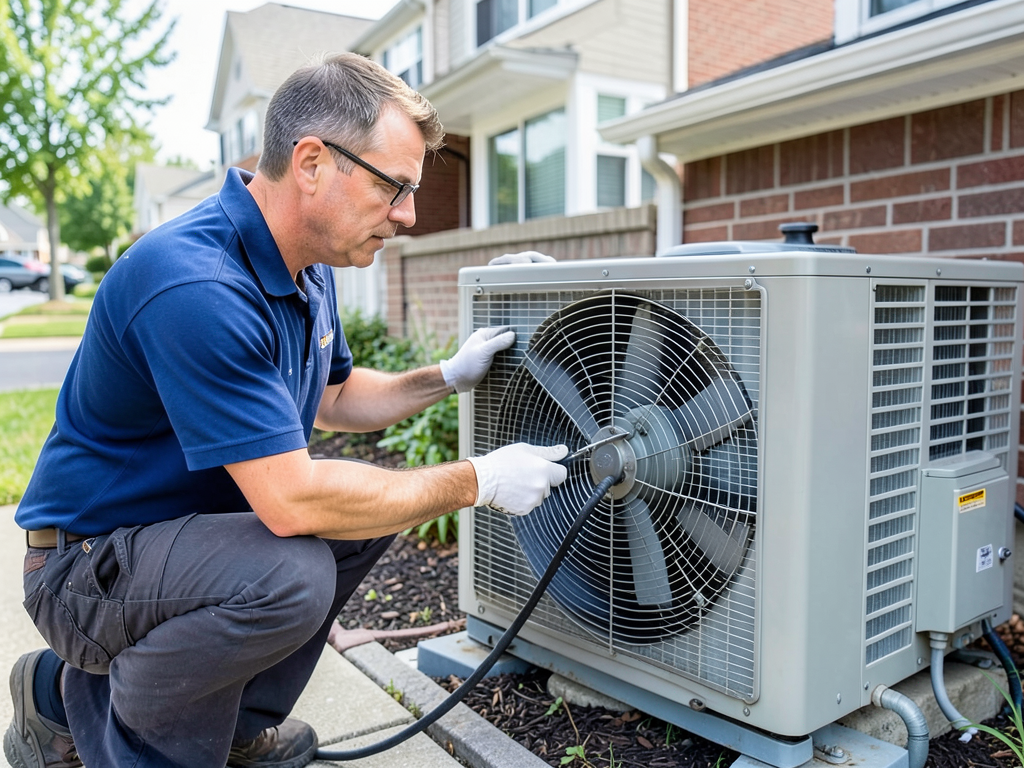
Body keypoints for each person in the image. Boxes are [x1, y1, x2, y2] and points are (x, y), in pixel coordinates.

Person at [6, 52, 568, 768]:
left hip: (181, 543)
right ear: (311, 163)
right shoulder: (194, 282)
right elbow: (291, 503)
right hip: (84, 567)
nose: (408, 214)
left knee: (363, 523)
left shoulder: (306, 267)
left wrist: (445, 377)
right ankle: (130, 742)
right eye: (394, 186)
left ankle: (226, 731)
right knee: (290, 571)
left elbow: (332, 397)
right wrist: (479, 481)